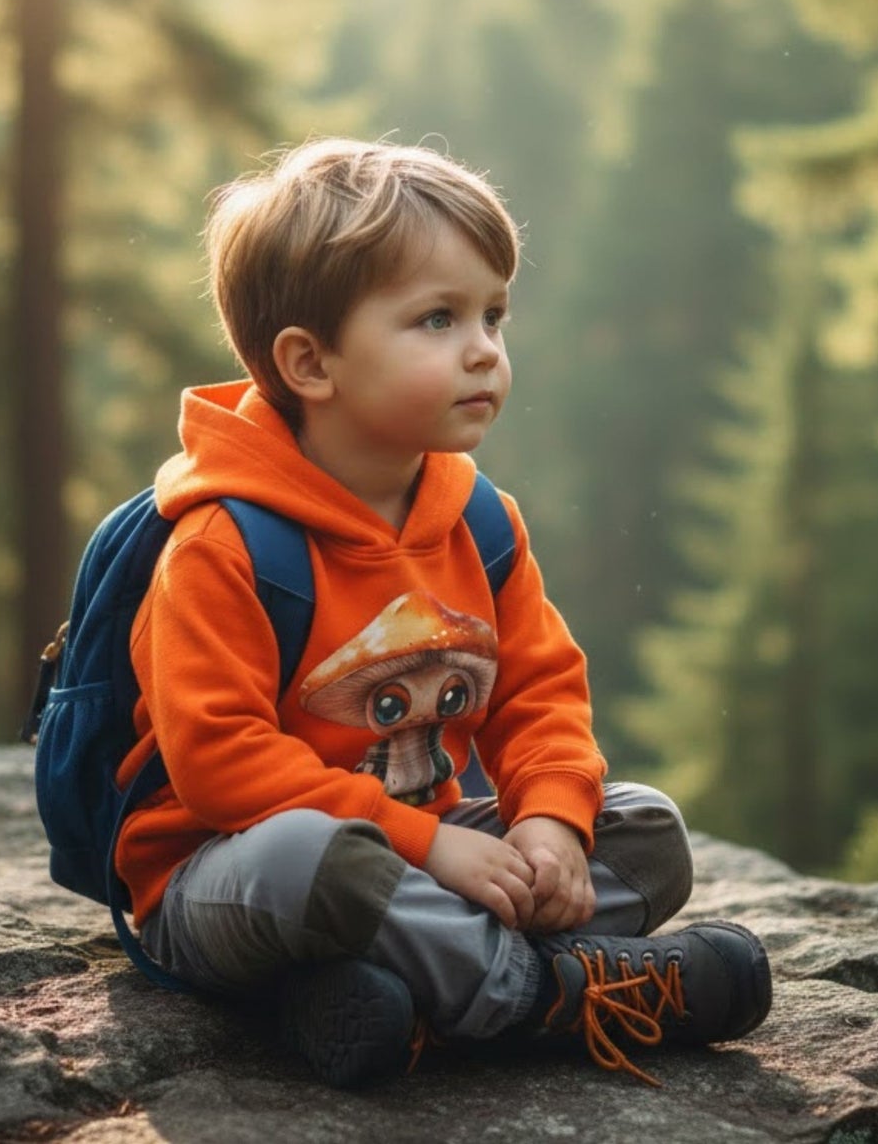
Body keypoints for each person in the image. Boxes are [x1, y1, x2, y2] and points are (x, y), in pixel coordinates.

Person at [115, 137, 771, 1087]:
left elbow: (539, 690)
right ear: (310, 362)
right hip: (230, 878)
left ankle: (377, 998)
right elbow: (221, 763)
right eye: (437, 318)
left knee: (646, 831)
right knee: (319, 861)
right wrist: (431, 845)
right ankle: (550, 995)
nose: (483, 349)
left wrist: (549, 823)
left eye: (493, 315)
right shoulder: (224, 544)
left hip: (422, 856)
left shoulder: (479, 522)